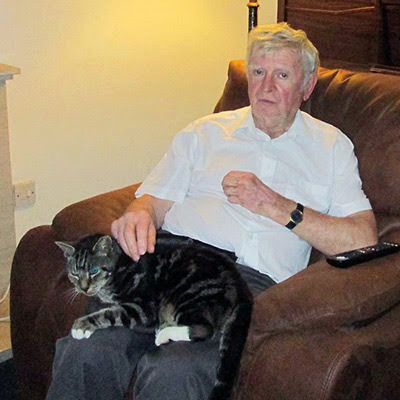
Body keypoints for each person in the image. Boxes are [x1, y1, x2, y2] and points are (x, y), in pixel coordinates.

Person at [46, 22, 377, 400]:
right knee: (86, 350)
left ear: (307, 85)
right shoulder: (204, 133)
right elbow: (152, 200)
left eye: (282, 74)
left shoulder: (332, 148)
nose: (266, 87)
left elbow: (362, 239)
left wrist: (277, 206)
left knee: (175, 371)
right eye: (257, 72)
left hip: (239, 284)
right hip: (166, 262)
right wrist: (139, 215)